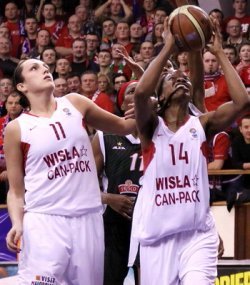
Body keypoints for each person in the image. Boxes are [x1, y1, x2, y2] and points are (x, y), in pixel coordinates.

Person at [129, 19, 249, 285]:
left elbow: (242, 102)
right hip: (158, 239)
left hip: (197, 235)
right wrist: (168, 47)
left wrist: (218, 53)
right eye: (173, 80)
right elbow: (140, 95)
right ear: (160, 97)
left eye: (183, 78)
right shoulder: (151, 128)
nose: (181, 80)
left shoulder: (200, 124)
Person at [4, 58, 135, 284]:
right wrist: (17, 222)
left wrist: (147, 103)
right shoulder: (17, 128)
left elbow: (124, 126)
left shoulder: (74, 103)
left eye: (45, 66)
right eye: (34, 68)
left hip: (88, 216)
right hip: (45, 218)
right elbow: (16, 191)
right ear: (21, 87)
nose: (44, 69)